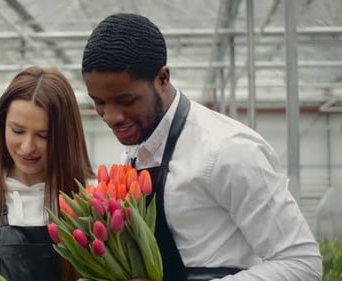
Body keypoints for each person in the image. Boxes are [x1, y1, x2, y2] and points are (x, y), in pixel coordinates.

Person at [81, 13, 322, 281]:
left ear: (162, 78)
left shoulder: (228, 149)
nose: (111, 116)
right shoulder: (135, 150)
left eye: (125, 100)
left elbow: (302, 264)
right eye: (99, 102)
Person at [0, 66, 95, 281]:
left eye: (44, 135)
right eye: (17, 131)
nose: (27, 147)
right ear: (2, 125)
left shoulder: (93, 199)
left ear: (65, 137)